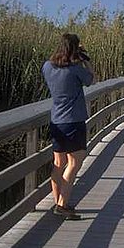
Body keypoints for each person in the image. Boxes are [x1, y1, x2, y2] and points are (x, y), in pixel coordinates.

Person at [42, 33, 94, 220]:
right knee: (75, 162)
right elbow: (90, 80)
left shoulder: (47, 67)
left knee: (58, 163)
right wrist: (85, 61)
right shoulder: (75, 69)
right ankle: (63, 205)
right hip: (73, 121)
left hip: (56, 121)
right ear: (74, 49)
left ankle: (58, 202)